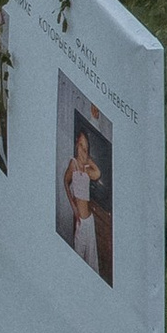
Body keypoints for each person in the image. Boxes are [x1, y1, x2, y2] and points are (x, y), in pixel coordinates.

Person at [63, 116, 105, 274]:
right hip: (80, 221)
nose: (82, 150)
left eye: (85, 148)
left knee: (91, 259)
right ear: (76, 145)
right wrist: (73, 206)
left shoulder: (87, 168)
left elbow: (98, 173)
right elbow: (65, 182)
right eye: (80, 145)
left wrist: (89, 160)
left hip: (90, 221)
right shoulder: (73, 164)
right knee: (78, 256)